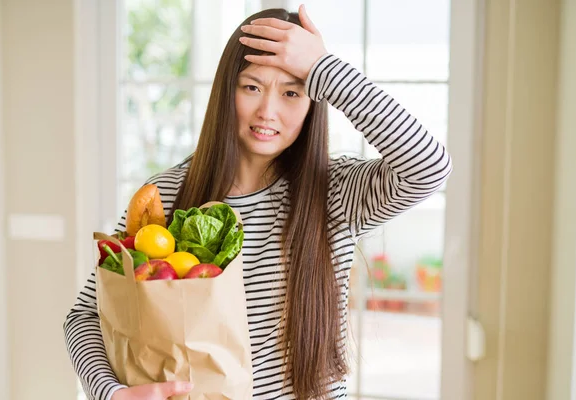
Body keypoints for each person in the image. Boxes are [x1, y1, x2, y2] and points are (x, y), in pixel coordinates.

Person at [64, 5, 452, 400]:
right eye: (251, 87)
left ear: (313, 100)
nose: (268, 111)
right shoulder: (165, 197)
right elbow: (86, 316)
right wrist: (112, 394)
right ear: (226, 89)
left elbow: (430, 167)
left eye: (291, 92)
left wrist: (324, 68)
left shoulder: (335, 192)